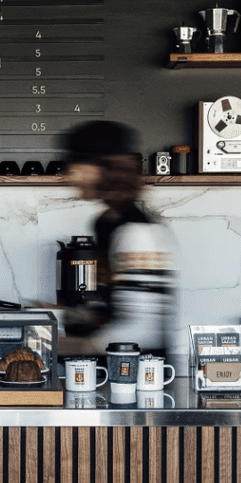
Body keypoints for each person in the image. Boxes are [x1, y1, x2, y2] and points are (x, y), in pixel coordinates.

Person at [59, 120, 178, 355]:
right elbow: (115, 312)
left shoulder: (138, 232)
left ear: (104, 169)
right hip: (116, 371)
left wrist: (66, 347)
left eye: (75, 165)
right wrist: (67, 314)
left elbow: (143, 330)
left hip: (137, 378)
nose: (68, 175)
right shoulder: (107, 222)